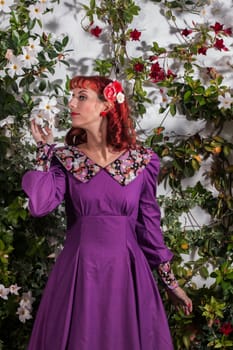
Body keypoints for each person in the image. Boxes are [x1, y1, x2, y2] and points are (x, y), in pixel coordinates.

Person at [22, 75, 192, 350]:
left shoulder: (142, 161)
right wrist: (44, 151)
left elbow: (149, 227)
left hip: (128, 275)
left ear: (106, 105)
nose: (70, 103)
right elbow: (40, 206)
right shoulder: (65, 160)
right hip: (78, 277)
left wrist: (171, 283)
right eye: (72, 96)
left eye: (81, 97)